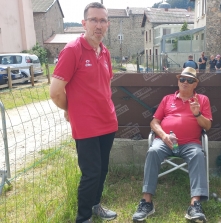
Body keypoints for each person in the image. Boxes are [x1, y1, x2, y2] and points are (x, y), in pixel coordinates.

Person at [49, 2, 118, 223]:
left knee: (103, 169)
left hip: (108, 121)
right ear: (84, 23)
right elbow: (55, 92)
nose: (99, 25)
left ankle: (95, 205)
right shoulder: (72, 50)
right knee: (91, 173)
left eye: (103, 20)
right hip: (86, 125)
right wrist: (71, 109)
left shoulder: (104, 51)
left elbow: (105, 86)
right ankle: (83, 217)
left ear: (108, 24)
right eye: (94, 20)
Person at [132, 67, 212, 222]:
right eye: (182, 79)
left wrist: (197, 113)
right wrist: (163, 135)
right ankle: (146, 202)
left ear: (195, 84)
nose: (185, 82)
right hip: (164, 141)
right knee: (153, 151)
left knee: (198, 154)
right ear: (178, 81)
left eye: (190, 80)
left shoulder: (202, 100)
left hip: (190, 144)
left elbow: (207, 126)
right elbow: (154, 122)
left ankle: (195, 205)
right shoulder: (167, 99)